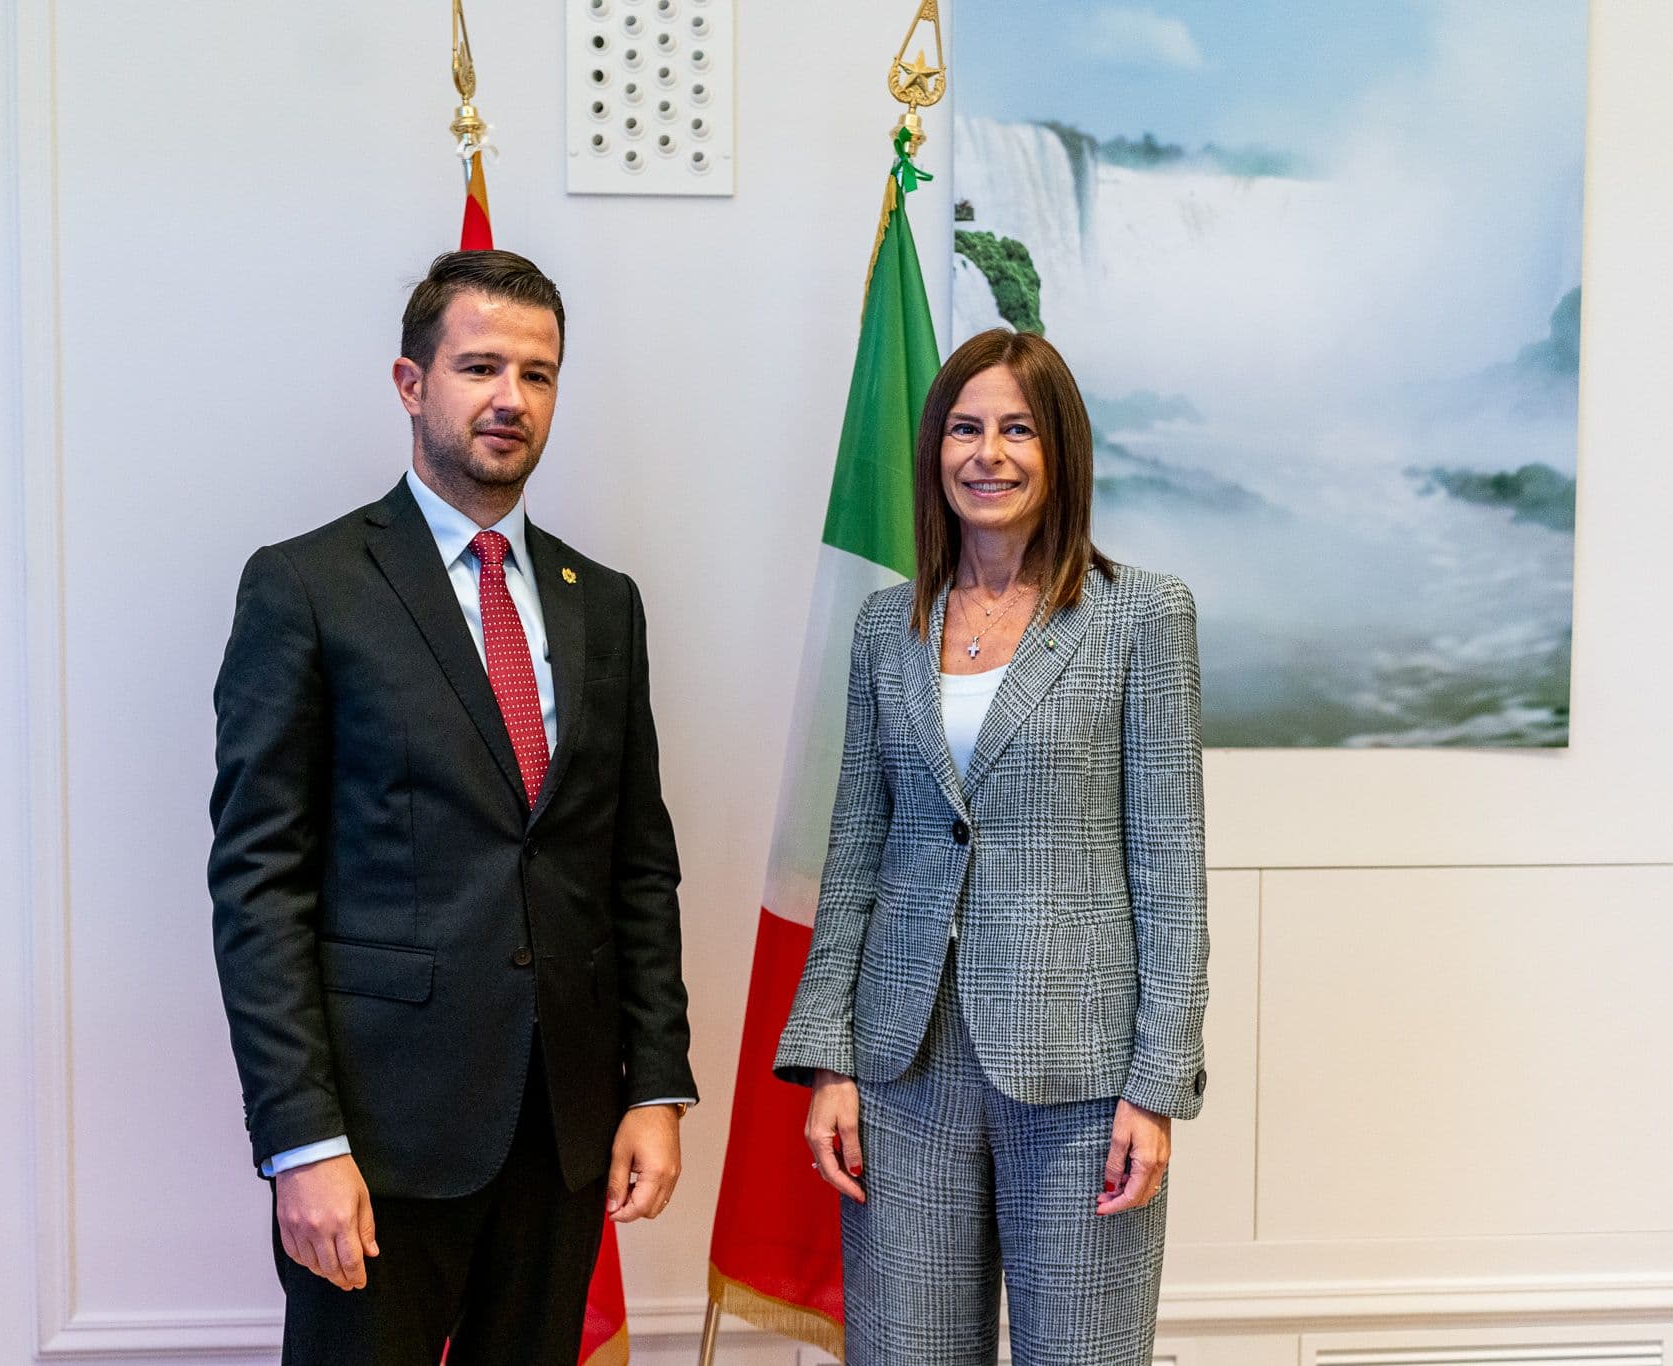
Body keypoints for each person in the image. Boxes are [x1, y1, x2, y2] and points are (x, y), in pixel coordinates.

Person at [209, 249, 697, 1366]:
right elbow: (258, 886)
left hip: (564, 1133)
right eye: (480, 367)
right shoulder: (307, 587)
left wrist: (657, 1085)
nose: (509, 398)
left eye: (537, 373)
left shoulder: (603, 603)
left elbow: (636, 865)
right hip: (377, 1140)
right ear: (410, 382)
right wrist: (301, 1141)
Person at [773, 329, 1209, 1365]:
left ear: (1060, 449)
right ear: (935, 449)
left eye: (1018, 429)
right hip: (902, 1064)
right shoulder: (886, 625)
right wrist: (828, 1056)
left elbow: (1170, 869)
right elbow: (855, 851)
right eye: (965, 428)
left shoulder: (1142, 616)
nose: (989, 453)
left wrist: (1157, 1083)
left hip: (1082, 1075)